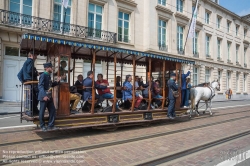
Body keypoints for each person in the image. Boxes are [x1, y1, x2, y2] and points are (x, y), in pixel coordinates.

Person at [38, 62, 61, 132]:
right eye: (51, 67)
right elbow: (40, 86)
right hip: (44, 96)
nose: (52, 69)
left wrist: (57, 82)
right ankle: (42, 126)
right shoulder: (43, 75)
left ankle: (50, 125)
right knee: (42, 111)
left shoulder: (48, 75)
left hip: (49, 96)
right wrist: (44, 95)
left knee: (52, 110)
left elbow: (50, 85)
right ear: (47, 68)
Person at [17, 51, 39, 116]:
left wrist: (24, 82)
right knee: (37, 96)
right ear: (32, 55)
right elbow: (30, 71)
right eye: (35, 55)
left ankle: (31, 111)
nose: (36, 57)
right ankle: (34, 111)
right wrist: (36, 73)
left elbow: (19, 75)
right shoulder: (30, 61)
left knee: (29, 98)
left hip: (28, 83)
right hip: (32, 83)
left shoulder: (25, 63)